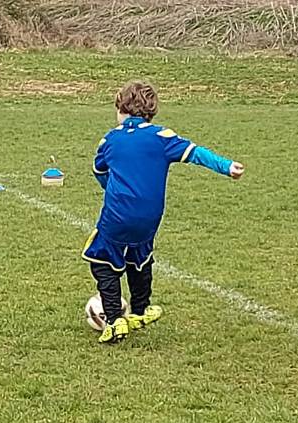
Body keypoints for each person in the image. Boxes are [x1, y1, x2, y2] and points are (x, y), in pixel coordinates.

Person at [83, 81, 245, 343]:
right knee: (140, 256)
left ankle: (113, 320)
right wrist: (227, 166)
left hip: (117, 214)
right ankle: (140, 311)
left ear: (121, 108)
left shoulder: (110, 139)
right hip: (149, 218)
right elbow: (196, 153)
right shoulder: (163, 137)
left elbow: (99, 171)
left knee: (102, 259)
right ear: (151, 111)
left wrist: (110, 186)